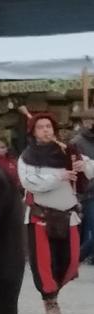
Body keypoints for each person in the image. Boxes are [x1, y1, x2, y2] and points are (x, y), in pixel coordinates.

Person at [18, 112, 94, 314]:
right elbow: (29, 182)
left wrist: (84, 166)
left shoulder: (68, 151)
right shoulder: (27, 157)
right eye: (40, 127)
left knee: (71, 262)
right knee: (44, 264)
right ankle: (50, 300)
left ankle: (53, 290)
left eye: (48, 127)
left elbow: (91, 169)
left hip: (68, 215)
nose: (46, 130)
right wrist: (59, 176)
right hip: (41, 216)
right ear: (33, 132)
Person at [69, 112, 94, 262]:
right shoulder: (76, 142)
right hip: (88, 192)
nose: (90, 123)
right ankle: (76, 258)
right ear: (83, 122)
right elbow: (74, 168)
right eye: (88, 120)